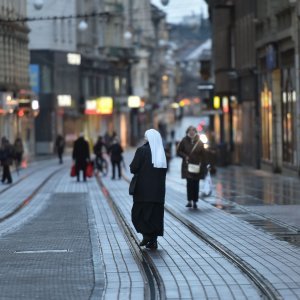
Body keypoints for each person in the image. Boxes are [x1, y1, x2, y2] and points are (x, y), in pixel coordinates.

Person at [130, 129, 167, 250]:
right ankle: (153, 241)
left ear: (147, 138)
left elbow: (134, 168)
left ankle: (146, 235)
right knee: (155, 216)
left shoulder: (142, 151)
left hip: (143, 191)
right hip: (158, 193)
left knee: (139, 214)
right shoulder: (161, 153)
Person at [177, 126, 207, 209]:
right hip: (187, 166)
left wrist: (204, 165)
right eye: (190, 131)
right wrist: (185, 156)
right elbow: (178, 151)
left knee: (196, 184)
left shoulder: (200, 142)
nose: (191, 132)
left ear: (195, 132)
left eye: (193, 131)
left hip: (197, 166)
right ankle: (189, 201)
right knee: (189, 183)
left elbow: (204, 155)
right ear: (187, 132)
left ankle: (195, 201)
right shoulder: (184, 140)